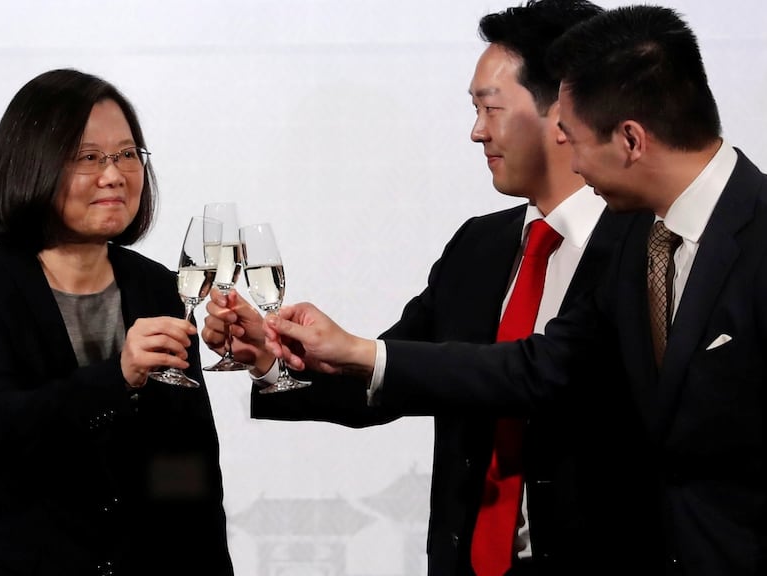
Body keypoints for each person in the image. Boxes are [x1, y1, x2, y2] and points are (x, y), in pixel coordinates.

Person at [261, 6, 767, 575]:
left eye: (572, 132)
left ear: (630, 138)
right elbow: (542, 367)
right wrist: (343, 352)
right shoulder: (648, 240)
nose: (565, 152)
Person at [203, 2, 659, 574]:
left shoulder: (646, 245)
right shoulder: (478, 247)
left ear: (565, 109)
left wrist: (359, 351)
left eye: (490, 108)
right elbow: (391, 378)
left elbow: (544, 378)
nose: (476, 132)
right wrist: (274, 359)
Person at [0, 69, 233, 576]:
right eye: (88, 158)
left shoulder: (161, 289)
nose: (114, 175)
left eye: (127, 155)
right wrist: (118, 377)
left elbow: (187, 471)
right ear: (34, 166)